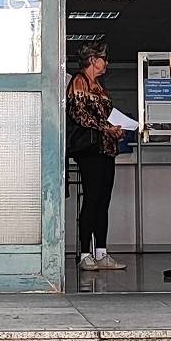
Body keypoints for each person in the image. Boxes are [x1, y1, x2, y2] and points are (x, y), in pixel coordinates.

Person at [66, 41, 127, 272]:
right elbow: (79, 114)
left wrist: (117, 129)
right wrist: (106, 128)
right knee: (91, 199)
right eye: (103, 58)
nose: (106, 63)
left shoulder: (100, 87)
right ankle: (85, 253)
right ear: (92, 59)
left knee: (103, 200)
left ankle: (101, 252)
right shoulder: (79, 81)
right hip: (90, 150)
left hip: (106, 149)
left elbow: (107, 116)